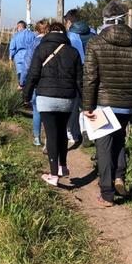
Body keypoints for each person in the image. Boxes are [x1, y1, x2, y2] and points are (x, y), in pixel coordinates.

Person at [83, 0, 132, 207]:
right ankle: (119, 176)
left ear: (104, 20)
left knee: (104, 147)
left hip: (102, 104)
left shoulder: (95, 44)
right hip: (126, 104)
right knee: (120, 140)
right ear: (125, 19)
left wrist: (87, 105)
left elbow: (89, 78)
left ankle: (106, 193)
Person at [24, 22, 83, 187]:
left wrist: (26, 95)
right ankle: (63, 165)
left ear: (48, 33)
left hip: (46, 97)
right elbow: (80, 80)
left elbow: (33, 74)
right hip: (67, 98)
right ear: (64, 33)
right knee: (62, 132)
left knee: (51, 135)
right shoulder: (73, 52)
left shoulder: (40, 49)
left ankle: (53, 174)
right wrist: (86, 103)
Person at [64, 9, 95, 145]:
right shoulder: (93, 32)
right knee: (90, 103)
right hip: (93, 72)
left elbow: (71, 57)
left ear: (69, 21)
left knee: (74, 103)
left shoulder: (70, 35)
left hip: (77, 73)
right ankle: (91, 131)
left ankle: (75, 134)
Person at [19, 19, 50, 146]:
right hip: (51, 81)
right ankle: (50, 139)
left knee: (37, 110)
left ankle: (37, 138)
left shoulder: (34, 43)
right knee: (49, 113)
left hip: (37, 81)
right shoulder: (54, 43)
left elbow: (26, 65)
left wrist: (22, 81)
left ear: (37, 30)